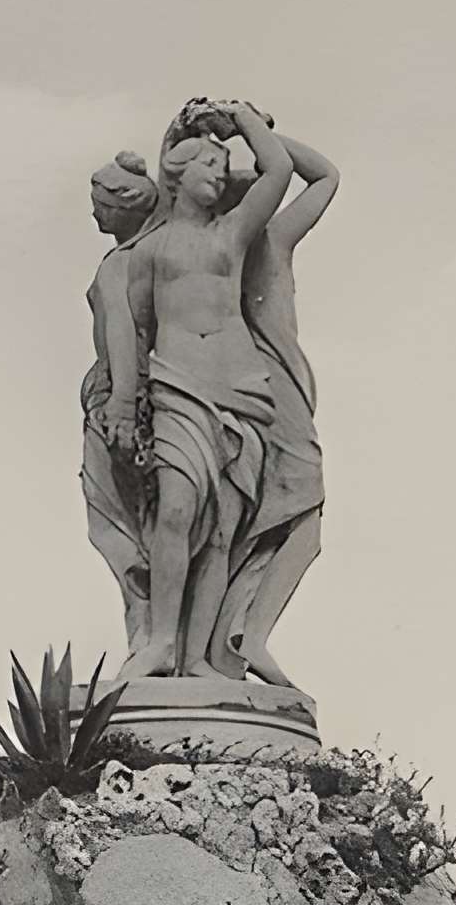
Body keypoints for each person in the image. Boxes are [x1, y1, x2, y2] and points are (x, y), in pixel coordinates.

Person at [105, 99, 295, 682]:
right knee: (178, 510)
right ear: (175, 172)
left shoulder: (233, 234)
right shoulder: (148, 250)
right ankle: (161, 641)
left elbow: (281, 171)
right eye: (208, 164)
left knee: (219, 531)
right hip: (178, 387)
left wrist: (239, 119)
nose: (220, 172)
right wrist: (120, 399)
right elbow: (128, 329)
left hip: (241, 392)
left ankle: (197, 659)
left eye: (224, 166)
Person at [208, 122, 339, 693]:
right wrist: (257, 127)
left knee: (262, 528)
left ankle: (237, 638)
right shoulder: (268, 242)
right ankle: (249, 635)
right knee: (301, 526)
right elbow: (326, 175)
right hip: (276, 395)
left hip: (260, 389)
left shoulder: (223, 248)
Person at [78, 151, 164, 655]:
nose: (95, 215)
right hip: (147, 399)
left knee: (123, 533)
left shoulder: (121, 263)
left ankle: (148, 639)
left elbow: (122, 331)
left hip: (120, 404)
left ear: (129, 206)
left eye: (102, 205)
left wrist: (121, 406)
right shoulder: (159, 251)